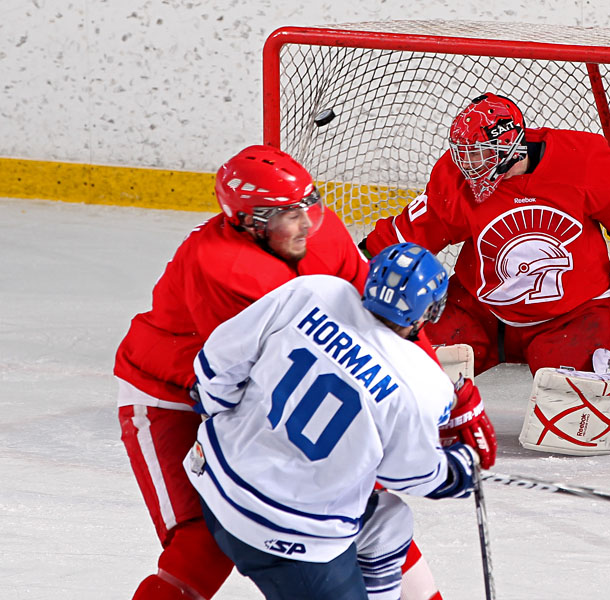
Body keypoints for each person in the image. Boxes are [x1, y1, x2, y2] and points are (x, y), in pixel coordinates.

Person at [114, 146, 456, 600]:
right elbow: (255, 375)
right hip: (169, 393)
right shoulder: (222, 267)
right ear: (249, 222)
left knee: (364, 512)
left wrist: (434, 399)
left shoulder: (325, 234)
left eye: (307, 206)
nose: (304, 224)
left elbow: (388, 323)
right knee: (207, 535)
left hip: (249, 386)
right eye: (284, 216)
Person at [184, 243, 480, 600]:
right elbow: (409, 475)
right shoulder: (422, 382)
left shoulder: (315, 290)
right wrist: (457, 471)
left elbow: (216, 367)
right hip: (290, 538)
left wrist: (235, 431)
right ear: (427, 313)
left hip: (212, 483)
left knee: (388, 523)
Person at [362, 93, 610, 376]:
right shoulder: (457, 176)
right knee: (407, 366)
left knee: (582, 400)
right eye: (464, 152)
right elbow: (414, 232)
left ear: (509, 147)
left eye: (478, 154)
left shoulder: (582, 160)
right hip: (478, 307)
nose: (467, 163)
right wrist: (353, 267)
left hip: (573, 314)